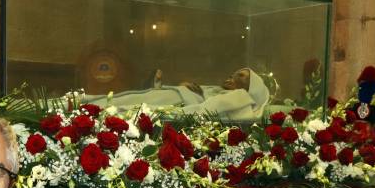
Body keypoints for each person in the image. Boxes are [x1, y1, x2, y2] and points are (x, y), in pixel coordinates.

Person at [84, 67, 269, 124]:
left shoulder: (239, 96)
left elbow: (204, 111)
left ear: (252, 87)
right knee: (121, 99)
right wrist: (186, 87)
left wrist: (167, 112)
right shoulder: (218, 90)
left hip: (173, 103)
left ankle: (82, 108)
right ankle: (82, 105)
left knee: (122, 104)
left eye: (241, 76)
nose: (233, 76)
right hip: (170, 97)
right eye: (233, 73)